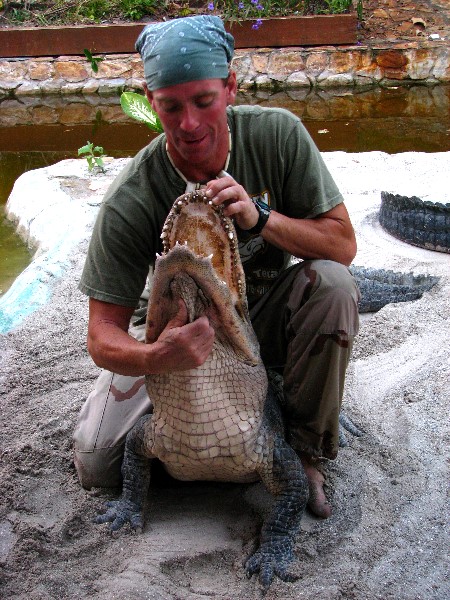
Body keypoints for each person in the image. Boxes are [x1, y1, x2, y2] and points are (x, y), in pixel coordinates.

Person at [73, 15, 359, 519]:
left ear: (229, 86)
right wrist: (157, 356)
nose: (188, 124)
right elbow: (102, 335)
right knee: (97, 466)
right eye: (170, 106)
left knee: (334, 286)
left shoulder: (277, 135)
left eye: (204, 101)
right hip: (176, 333)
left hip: (260, 319)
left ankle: (306, 448)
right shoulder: (132, 196)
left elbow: (342, 245)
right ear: (150, 99)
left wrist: (261, 216)